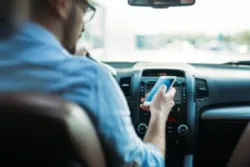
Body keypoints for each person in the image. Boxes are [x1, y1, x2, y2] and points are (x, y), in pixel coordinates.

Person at [0, 0, 176, 166]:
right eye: (84, 10)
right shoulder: (89, 79)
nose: (83, 26)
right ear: (61, 3)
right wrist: (159, 114)